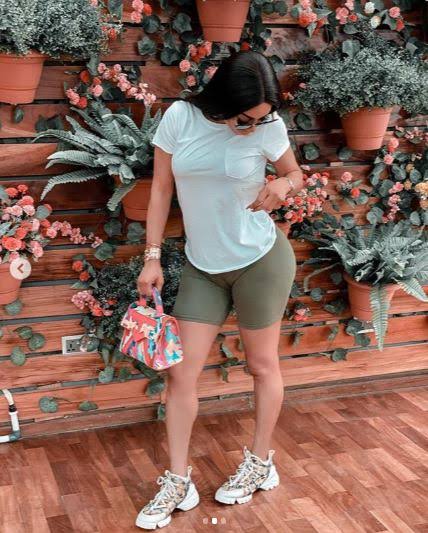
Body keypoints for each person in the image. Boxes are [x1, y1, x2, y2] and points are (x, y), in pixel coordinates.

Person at [135, 50, 302, 530]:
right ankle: (177, 481)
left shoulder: (268, 126)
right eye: (244, 119)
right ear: (223, 101)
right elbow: (161, 189)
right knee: (180, 375)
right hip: (203, 267)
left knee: (261, 366)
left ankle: (261, 463)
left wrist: (284, 187)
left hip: (260, 261)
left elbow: (294, 173)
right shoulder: (180, 118)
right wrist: (151, 257)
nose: (253, 127)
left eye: (261, 119)